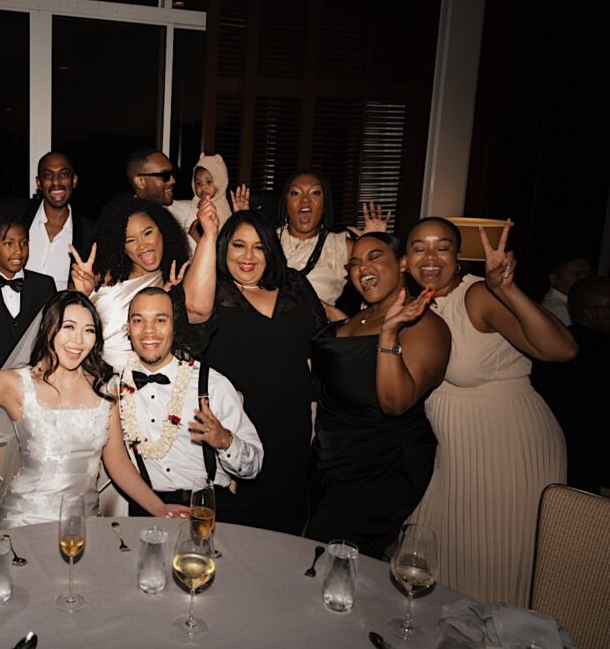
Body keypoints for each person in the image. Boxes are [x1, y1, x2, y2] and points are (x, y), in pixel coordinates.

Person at [0, 234, 187, 528]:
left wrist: (160, 508)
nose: (78, 340)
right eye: (68, 327)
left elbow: (119, 465)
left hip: (83, 527)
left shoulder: (104, 389)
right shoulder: (17, 386)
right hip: (25, 523)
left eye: (88, 330)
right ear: (49, 330)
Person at [404, 217, 577, 605]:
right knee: (437, 557)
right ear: (406, 259)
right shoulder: (417, 305)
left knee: (492, 569)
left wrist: (508, 289)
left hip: (507, 447)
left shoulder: (478, 296)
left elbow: (562, 350)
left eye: (442, 247)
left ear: (458, 257)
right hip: (453, 453)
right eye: (419, 248)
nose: (430, 257)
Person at [305, 232, 450, 559]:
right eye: (354, 262)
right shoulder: (357, 316)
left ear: (401, 263)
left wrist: (388, 333)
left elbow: (395, 403)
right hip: (329, 460)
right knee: (318, 557)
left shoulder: (426, 326)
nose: (362, 268)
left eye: (373, 256)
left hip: (377, 466)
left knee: (333, 560)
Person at [188, 210, 327, 534]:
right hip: (234, 431)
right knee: (236, 535)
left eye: (258, 246)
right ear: (224, 249)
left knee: (286, 530)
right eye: (238, 245)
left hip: (291, 430)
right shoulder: (214, 293)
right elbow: (191, 318)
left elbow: (323, 346)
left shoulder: (295, 286)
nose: (248, 256)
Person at [119, 287, 263, 523]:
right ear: (128, 328)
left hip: (210, 507)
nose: (148, 330)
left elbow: (254, 465)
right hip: (148, 508)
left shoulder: (211, 384)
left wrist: (225, 440)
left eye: (160, 320)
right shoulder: (116, 388)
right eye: (138, 320)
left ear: (174, 327)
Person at [69, 196, 194, 371]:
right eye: (131, 240)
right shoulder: (100, 278)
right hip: (91, 375)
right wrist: (80, 293)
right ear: (121, 246)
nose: (142, 245)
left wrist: (171, 299)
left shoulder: (174, 281)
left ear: (163, 232)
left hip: (146, 383)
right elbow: (63, 326)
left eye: (148, 233)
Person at [0, 152, 95, 290]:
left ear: (74, 180)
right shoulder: (12, 210)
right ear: (38, 182)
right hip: (10, 312)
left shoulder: (89, 232)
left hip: (60, 314)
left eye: (63, 175)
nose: (56, 182)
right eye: (48, 175)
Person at [534, 276, 610, 494]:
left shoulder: (555, 341)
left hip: (557, 459)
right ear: (591, 312)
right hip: (585, 461)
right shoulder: (566, 347)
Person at [275, 170, 389, 308]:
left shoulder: (339, 246)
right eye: (295, 193)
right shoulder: (265, 239)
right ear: (286, 204)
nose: (305, 199)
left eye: (315, 193)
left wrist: (376, 244)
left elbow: (383, 281)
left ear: (324, 205)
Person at [0, 212, 57, 371]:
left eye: (24, 243)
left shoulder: (44, 286)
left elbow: (52, 335)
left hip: (30, 380)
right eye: (9, 243)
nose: (19, 251)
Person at [168, 153, 250, 252]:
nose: (203, 187)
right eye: (198, 183)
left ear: (219, 181)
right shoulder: (195, 201)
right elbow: (188, 226)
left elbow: (225, 231)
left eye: (209, 182)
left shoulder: (222, 204)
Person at [540, 255, 593, 325]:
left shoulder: (572, 304)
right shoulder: (561, 310)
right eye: (577, 274)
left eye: (588, 274)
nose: (584, 279)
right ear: (554, 279)